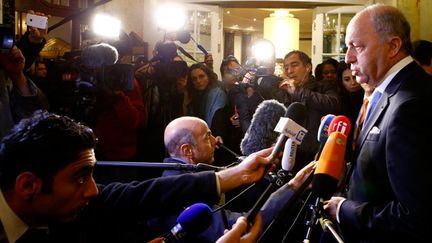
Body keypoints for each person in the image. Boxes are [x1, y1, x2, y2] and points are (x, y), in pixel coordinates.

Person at [0, 110, 281, 242]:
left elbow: (143, 194)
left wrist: (235, 175)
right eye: (79, 177)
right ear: (28, 185)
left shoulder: (66, 205)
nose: (94, 191)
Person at [323, 4, 432, 242]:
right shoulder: (387, 91)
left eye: (357, 47)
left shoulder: (411, 105)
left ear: (393, 46)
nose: (348, 57)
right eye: (347, 47)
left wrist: (344, 210)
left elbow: (417, 217)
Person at [278, 50, 341, 172]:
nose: (289, 71)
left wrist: (298, 91)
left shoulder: (324, 86)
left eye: (294, 65)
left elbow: (333, 104)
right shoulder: (284, 91)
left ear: (308, 67)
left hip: (317, 156)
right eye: (286, 67)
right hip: (288, 157)